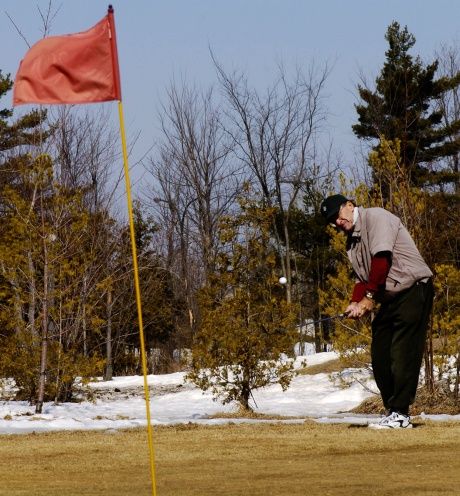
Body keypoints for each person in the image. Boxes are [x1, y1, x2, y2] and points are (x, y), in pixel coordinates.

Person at [320, 194, 434, 429]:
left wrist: (369, 298)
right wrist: (355, 301)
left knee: (402, 352)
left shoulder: (377, 218)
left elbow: (381, 260)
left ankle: (401, 414)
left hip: (414, 289)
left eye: (338, 216)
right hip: (391, 297)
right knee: (380, 354)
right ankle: (393, 411)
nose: (338, 223)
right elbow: (365, 277)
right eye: (333, 222)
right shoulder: (352, 241)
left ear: (349, 206)